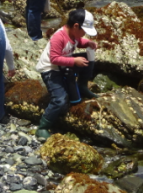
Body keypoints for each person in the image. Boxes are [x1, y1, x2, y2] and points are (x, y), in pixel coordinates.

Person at [34, 9, 98, 140]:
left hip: (63, 65)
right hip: (50, 69)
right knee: (60, 99)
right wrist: (74, 61)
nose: (84, 34)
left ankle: (82, 86)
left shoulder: (74, 35)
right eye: (84, 31)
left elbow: (78, 42)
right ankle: (43, 127)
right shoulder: (59, 36)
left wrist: (88, 43)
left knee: (87, 57)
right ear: (75, 26)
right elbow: (54, 58)